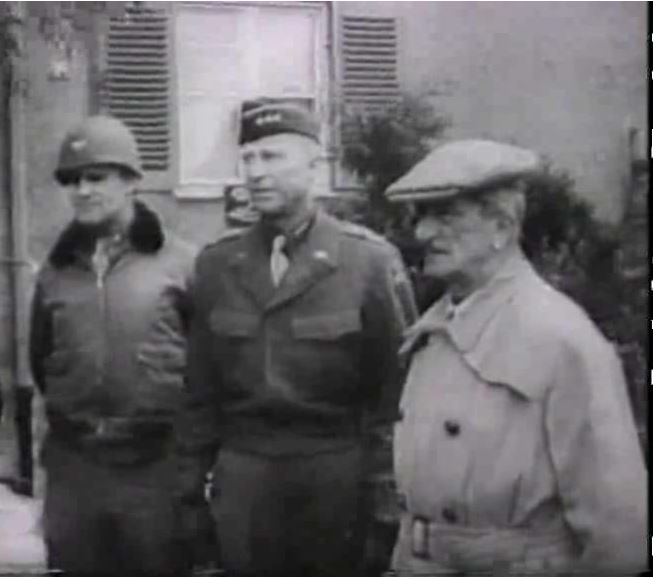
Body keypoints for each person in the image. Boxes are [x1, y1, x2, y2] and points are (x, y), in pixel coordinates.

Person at [385, 139, 647, 575]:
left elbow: (619, 529)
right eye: (421, 216)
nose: (423, 233)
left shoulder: (560, 338)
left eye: (446, 216)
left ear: (502, 227)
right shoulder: (435, 330)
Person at [178, 100, 417, 575]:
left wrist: (386, 498)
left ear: (314, 166)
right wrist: (188, 492)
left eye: (272, 157)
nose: (256, 172)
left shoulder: (368, 262)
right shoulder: (217, 265)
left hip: (336, 477)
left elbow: (398, 394)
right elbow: (198, 393)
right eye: (248, 158)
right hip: (244, 477)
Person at [29, 116, 198, 575]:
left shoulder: (181, 264)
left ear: (131, 181)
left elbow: (206, 366)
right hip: (77, 469)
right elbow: (42, 361)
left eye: (96, 177)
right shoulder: (56, 271)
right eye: (72, 181)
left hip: (155, 468)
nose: (82, 191)